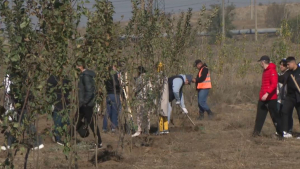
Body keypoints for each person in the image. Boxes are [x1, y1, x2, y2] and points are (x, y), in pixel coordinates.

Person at [252, 55, 283, 138]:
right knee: (259, 116)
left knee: (274, 116)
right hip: (263, 98)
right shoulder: (265, 71)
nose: (260, 64)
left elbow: (273, 84)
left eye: (260, 62)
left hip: (271, 99)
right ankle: (256, 133)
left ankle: (280, 133)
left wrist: (267, 93)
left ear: (263, 62)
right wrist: (262, 95)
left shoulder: (272, 71)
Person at [76, 60, 102, 149]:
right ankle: (68, 140)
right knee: (76, 120)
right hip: (84, 103)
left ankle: (99, 142)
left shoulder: (85, 76)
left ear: (80, 66)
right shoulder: (84, 75)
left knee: (91, 123)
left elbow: (90, 91)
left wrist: (85, 102)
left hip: (86, 104)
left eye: (76, 66)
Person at [47, 73, 71, 146]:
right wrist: (51, 102)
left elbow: (69, 88)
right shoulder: (52, 78)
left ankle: (56, 133)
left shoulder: (66, 77)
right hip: (57, 103)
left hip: (66, 102)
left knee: (67, 121)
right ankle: (57, 138)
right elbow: (48, 90)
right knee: (58, 121)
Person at [280, 56, 300, 139]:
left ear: (293, 63)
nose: (287, 66)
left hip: (298, 96)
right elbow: (281, 79)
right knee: (285, 111)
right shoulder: (288, 72)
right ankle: (286, 132)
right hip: (290, 96)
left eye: (288, 64)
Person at [132, 66, 152, 137]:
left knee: (139, 114)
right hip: (148, 98)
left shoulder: (140, 78)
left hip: (141, 98)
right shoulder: (148, 78)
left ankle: (139, 130)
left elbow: (136, 88)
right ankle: (147, 129)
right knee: (147, 115)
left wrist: (134, 91)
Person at [103, 64, 121, 133]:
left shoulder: (106, 75)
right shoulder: (114, 75)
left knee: (107, 111)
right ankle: (113, 127)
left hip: (109, 94)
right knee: (114, 111)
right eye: (115, 67)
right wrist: (118, 79)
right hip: (114, 94)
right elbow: (116, 84)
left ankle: (104, 127)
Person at [277, 58, 292, 134]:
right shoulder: (280, 74)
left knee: (287, 114)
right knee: (280, 114)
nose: (281, 66)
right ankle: (281, 129)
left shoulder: (289, 74)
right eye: (281, 64)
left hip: (288, 98)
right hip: (280, 98)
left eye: (284, 65)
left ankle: (289, 130)